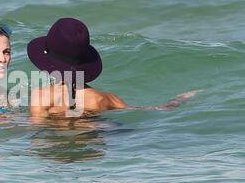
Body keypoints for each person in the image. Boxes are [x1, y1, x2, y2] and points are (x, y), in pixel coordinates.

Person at [27, 18, 199, 117]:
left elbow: (36, 133)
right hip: (94, 145)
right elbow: (153, 110)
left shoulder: (40, 97)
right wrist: (176, 100)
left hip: (56, 150)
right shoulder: (104, 99)